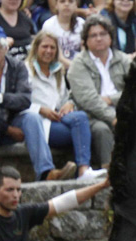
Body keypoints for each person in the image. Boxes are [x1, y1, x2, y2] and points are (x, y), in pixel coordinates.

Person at [0, 25, 68, 182]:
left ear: (5, 48)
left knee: (32, 118)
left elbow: (25, 100)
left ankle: (46, 172)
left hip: (14, 118)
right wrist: (7, 129)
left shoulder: (17, 66)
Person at [26, 31, 106, 183]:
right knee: (81, 133)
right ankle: (80, 169)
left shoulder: (58, 71)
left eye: (52, 48)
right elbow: (21, 101)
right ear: (36, 48)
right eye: (45, 47)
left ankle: (84, 169)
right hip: (39, 121)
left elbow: (63, 98)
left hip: (58, 117)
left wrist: (69, 103)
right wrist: (40, 109)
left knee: (80, 117)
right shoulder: (26, 70)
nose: (48, 51)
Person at [67, 15, 132, 167]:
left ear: (110, 37)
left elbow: (135, 90)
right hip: (92, 115)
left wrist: (111, 99)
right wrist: (114, 118)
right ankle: (108, 170)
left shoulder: (123, 59)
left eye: (103, 34)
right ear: (86, 40)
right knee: (102, 129)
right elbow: (89, 99)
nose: (99, 38)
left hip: (123, 110)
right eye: (93, 35)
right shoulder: (78, 64)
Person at [42, 0, 86, 64]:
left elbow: (84, 52)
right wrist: (75, 68)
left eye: (70, 1)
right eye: (62, 1)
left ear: (76, 4)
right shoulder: (49, 25)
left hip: (79, 65)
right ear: (56, 5)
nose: (66, 4)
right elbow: (57, 57)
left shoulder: (82, 24)